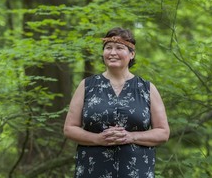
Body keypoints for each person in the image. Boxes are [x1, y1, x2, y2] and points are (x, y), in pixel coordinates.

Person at [63, 27, 170, 178]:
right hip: (92, 170)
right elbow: (69, 128)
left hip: (137, 172)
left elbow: (163, 133)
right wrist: (97, 139)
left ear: (132, 54)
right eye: (108, 48)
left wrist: (131, 137)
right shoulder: (87, 85)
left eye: (119, 48)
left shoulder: (147, 88)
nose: (112, 53)